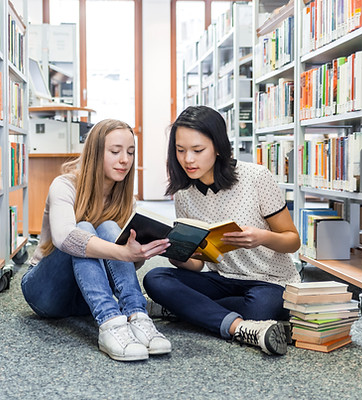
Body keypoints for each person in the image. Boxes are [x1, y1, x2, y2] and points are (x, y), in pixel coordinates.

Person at [143, 106, 301, 356]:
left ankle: (184, 309)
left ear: (217, 147)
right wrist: (177, 253)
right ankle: (238, 326)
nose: (188, 160)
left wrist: (262, 237)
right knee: (155, 279)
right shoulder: (184, 194)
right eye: (180, 150)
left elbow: (293, 241)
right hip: (223, 279)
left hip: (269, 281)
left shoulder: (256, 177)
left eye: (197, 150)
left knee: (260, 309)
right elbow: (196, 266)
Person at [21, 119, 172, 362]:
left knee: (110, 227)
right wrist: (122, 252)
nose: (125, 159)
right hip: (45, 292)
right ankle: (110, 322)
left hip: (88, 296)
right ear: (94, 153)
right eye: (115, 151)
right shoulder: (65, 185)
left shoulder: (124, 199)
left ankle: (136, 315)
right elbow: (65, 238)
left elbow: (122, 267)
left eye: (130, 152)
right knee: (82, 228)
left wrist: (139, 253)